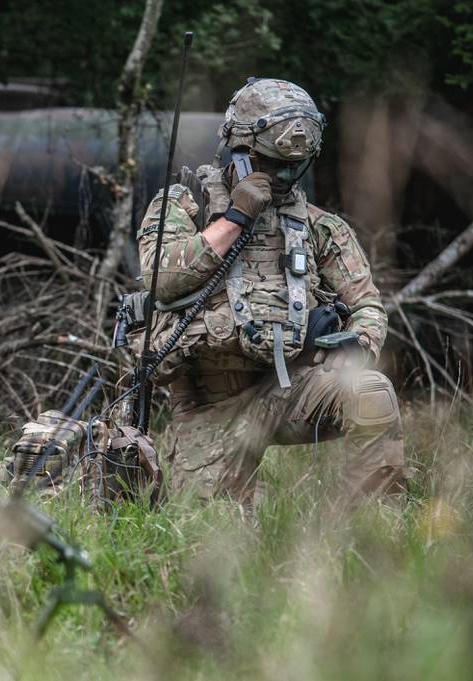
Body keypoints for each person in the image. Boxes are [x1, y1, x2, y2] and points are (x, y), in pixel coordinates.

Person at [136, 77, 409, 507]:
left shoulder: (320, 227)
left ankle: (368, 528)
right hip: (210, 403)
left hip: (291, 389)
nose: (282, 176)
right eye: (271, 162)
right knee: (222, 533)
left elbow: (368, 305)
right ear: (239, 149)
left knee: (371, 392)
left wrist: (360, 344)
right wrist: (235, 218)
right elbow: (162, 277)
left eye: (293, 166)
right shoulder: (183, 206)